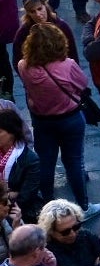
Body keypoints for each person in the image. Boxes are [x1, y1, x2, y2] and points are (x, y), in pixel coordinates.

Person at [17, 23, 94, 215]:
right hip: (70, 118)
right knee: (74, 162)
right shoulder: (67, 65)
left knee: (45, 163)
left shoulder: (23, 66)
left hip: (42, 120)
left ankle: (48, 209)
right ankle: (83, 207)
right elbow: (83, 84)